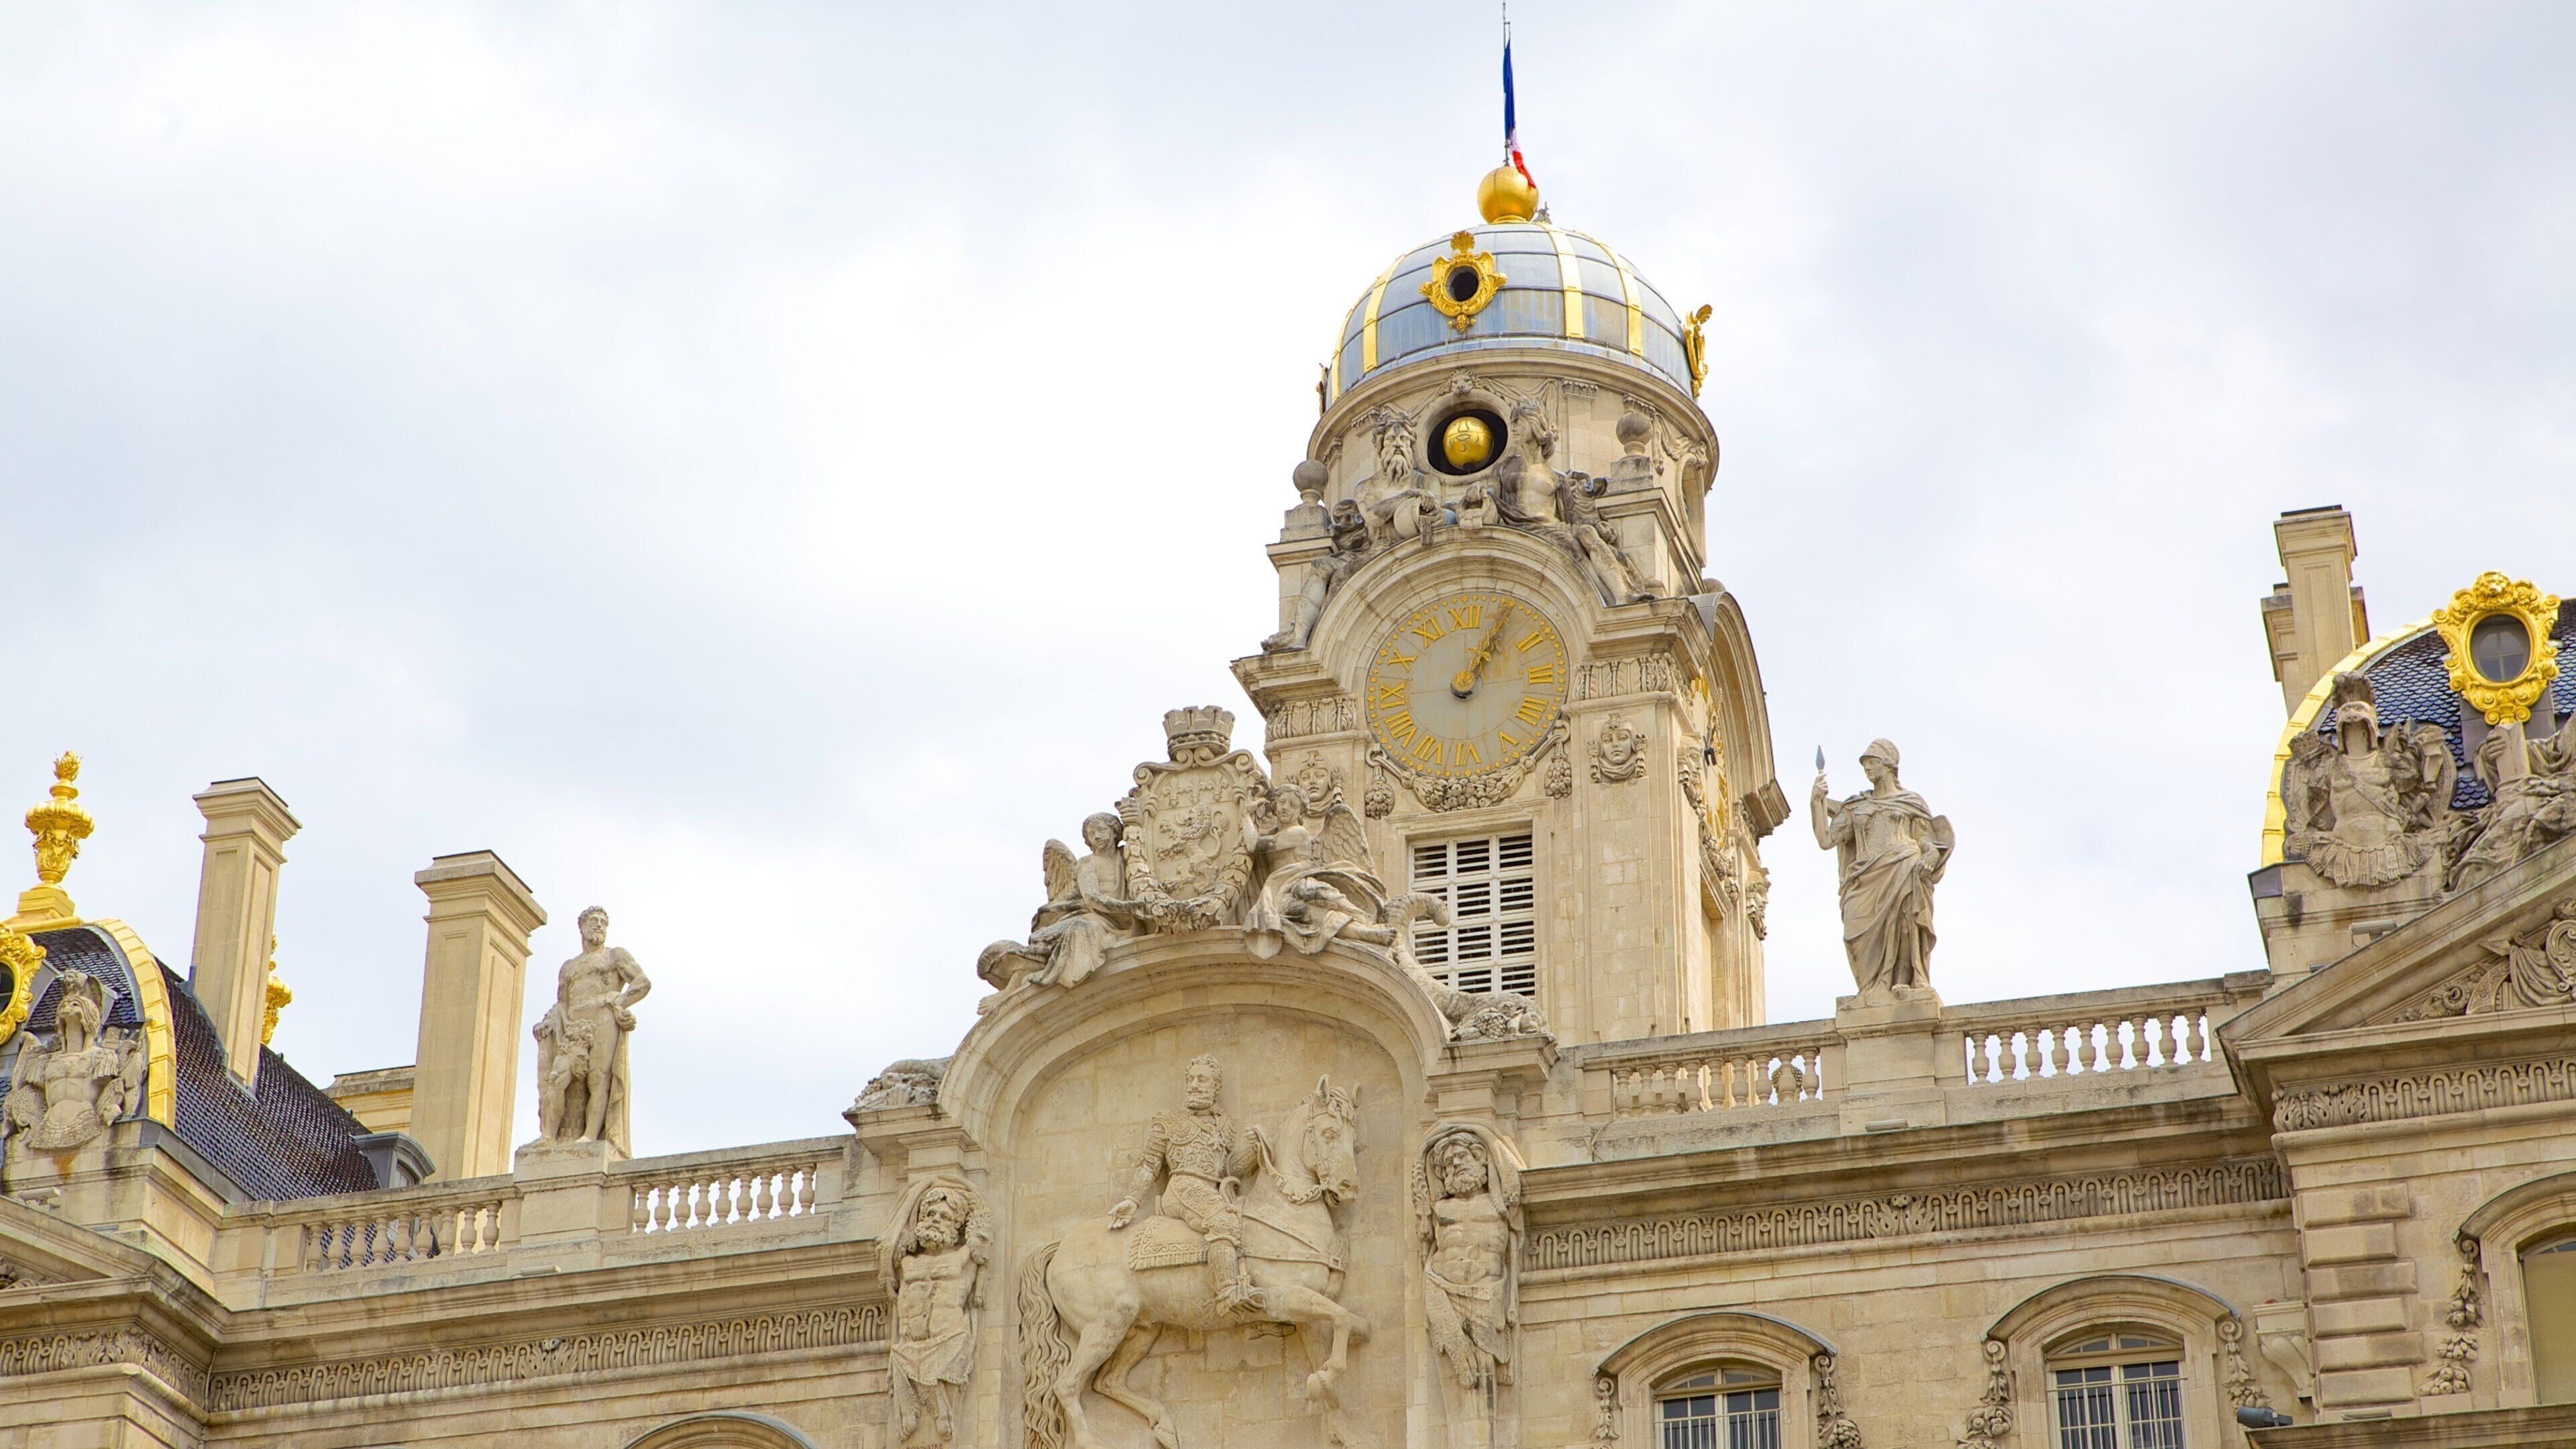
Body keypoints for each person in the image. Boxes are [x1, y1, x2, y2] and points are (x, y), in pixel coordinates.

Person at [1108, 1054, 1264, 1313]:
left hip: (1214, 1190)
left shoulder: (1226, 1124)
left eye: (1202, 1080)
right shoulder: (1168, 1120)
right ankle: (1227, 1293)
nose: (1193, 1085)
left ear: (1215, 1087)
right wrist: (1132, 1200)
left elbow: (1229, 1170)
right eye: (1190, 1080)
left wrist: (1256, 1150)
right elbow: (1149, 1165)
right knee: (1222, 1220)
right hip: (1182, 1188)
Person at [1811, 740, 1953, 999]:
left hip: (1903, 865)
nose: (1867, 768)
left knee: (1906, 922)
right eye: (1865, 764)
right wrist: (1817, 803)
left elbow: (1924, 839)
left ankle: (1903, 978)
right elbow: (1825, 840)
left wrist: (1931, 854)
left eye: (1872, 762)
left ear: (1889, 766)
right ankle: (1872, 987)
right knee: (1854, 933)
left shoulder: (1909, 802)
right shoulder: (1856, 807)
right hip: (1864, 880)